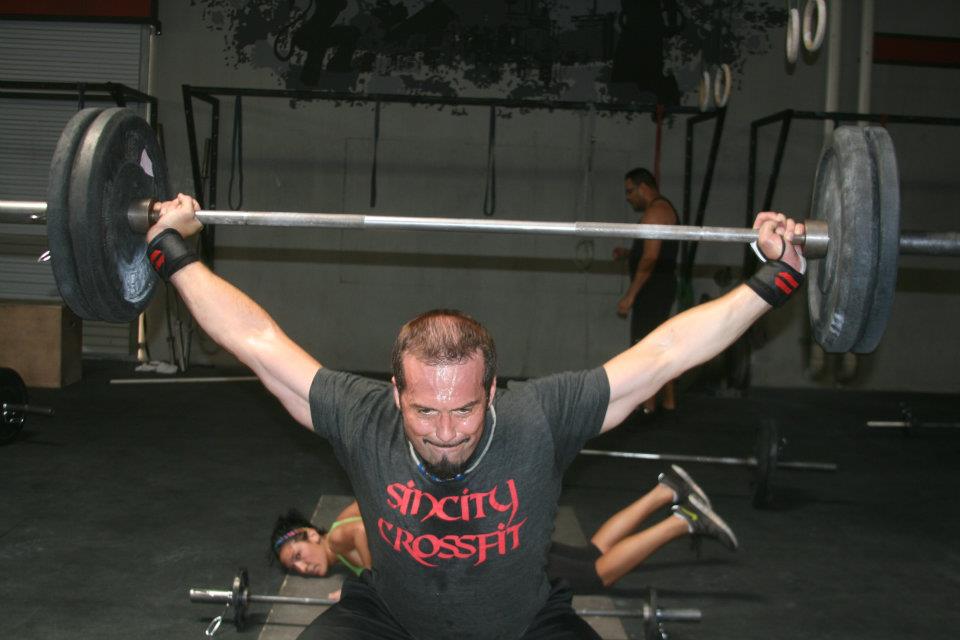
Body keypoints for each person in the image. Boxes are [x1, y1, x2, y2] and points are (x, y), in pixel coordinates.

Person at [145, 193, 804, 640]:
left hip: (526, 624)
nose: (444, 432)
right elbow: (256, 341)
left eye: (463, 409)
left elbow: (663, 355)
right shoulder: (360, 416)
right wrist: (170, 250)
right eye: (424, 410)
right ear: (395, 392)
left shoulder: (539, 417)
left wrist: (774, 280)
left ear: (492, 391)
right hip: (388, 620)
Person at [271, 465, 736, 593]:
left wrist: (371, 590)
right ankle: (665, 491)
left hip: (486, 558)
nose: (303, 567)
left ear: (310, 534)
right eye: (295, 569)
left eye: (297, 556)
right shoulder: (345, 516)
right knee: (591, 556)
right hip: (482, 540)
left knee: (599, 576)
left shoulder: (339, 537)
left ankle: (683, 521)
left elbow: (370, 543)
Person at [616, 167, 679, 415]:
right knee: (656, 345)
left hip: (653, 289)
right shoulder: (660, 210)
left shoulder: (655, 212)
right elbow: (653, 252)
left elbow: (651, 257)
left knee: (646, 348)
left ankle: (649, 407)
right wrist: (629, 253)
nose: (628, 197)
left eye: (630, 191)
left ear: (644, 187)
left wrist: (630, 295)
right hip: (658, 287)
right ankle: (666, 403)